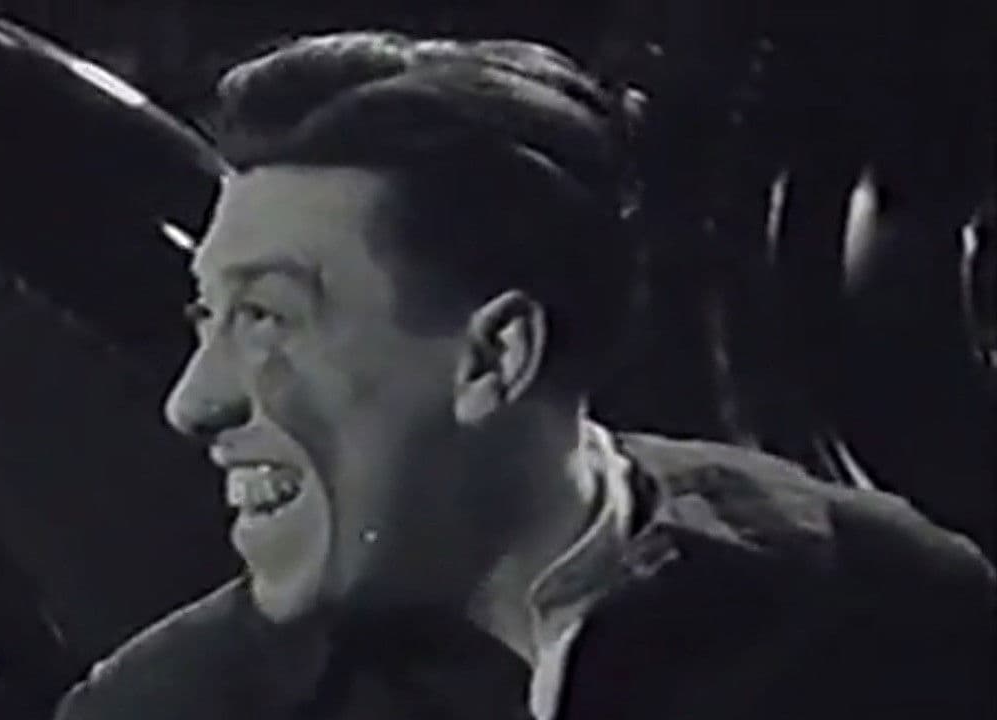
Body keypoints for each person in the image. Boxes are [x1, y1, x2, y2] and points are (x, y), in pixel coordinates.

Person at [56, 32, 995, 720]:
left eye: (267, 319)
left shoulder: (892, 610)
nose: (193, 402)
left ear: (494, 358)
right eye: (208, 317)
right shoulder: (162, 710)